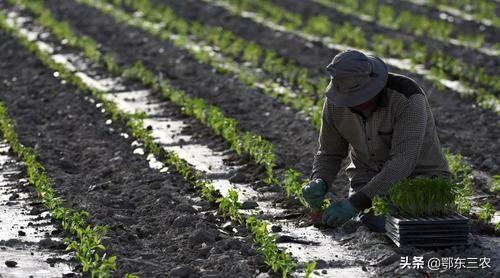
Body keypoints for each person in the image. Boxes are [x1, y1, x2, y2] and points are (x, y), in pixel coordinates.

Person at [302, 49, 452, 232]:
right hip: (366, 178)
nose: (352, 103)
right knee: (374, 221)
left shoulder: (407, 98)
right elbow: (329, 153)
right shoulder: (336, 102)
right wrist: (320, 180)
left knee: (406, 221)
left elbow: (402, 162)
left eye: (358, 97)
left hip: (421, 179)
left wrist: (355, 203)